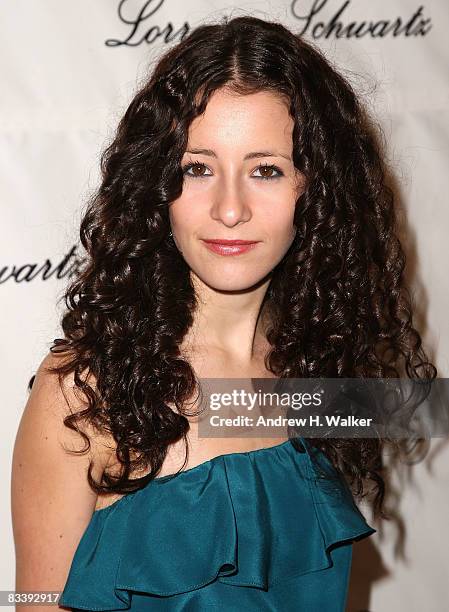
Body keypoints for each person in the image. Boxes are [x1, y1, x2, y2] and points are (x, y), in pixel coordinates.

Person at [12, 15, 436, 612]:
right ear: (158, 186)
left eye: (265, 170)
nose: (229, 209)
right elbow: (36, 601)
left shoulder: (320, 371)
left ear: (314, 189)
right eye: (198, 168)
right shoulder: (85, 391)